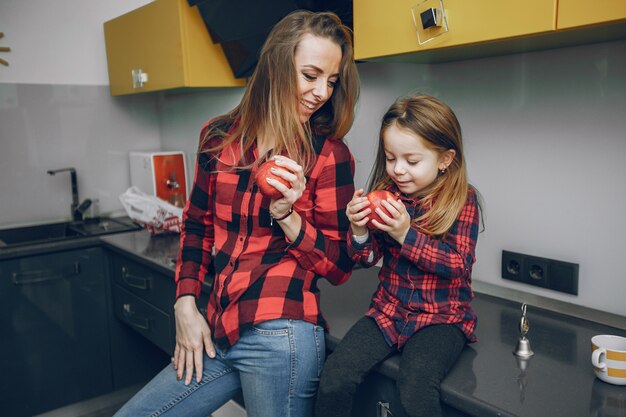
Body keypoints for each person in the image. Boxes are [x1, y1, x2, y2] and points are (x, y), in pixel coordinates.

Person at [114, 10, 359, 417]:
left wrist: (287, 216)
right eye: (311, 75)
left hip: (282, 335)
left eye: (331, 81)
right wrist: (185, 302)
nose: (321, 92)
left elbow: (340, 265)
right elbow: (196, 225)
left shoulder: (329, 155)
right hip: (216, 327)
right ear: (276, 67)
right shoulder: (218, 136)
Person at [314, 94, 482, 417]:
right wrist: (359, 230)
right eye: (391, 158)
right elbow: (365, 258)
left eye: (412, 161)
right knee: (335, 376)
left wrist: (407, 234)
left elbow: (458, 265)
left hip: (441, 318)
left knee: (416, 389)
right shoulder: (388, 194)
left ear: (445, 159)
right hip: (389, 311)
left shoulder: (463, 201)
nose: (398, 170)